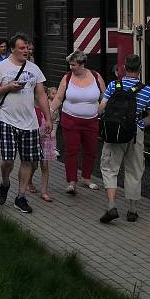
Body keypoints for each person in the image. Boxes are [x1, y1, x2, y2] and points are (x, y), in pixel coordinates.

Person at [0, 33, 51, 214]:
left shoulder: (34, 69)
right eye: (22, 48)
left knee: (28, 161)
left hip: (29, 122)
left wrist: (47, 118)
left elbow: (41, 95)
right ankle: (5, 182)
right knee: (8, 160)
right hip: (6, 119)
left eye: (28, 48)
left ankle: (20, 197)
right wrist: (8, 88)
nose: (26, 51)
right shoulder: (1, 67)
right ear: (13, 49)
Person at [97, 54, 150, 223]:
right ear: (140, 69)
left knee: (110, 169)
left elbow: (101, 109)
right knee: (134, 170)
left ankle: (111, 206)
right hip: (135, 133)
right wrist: (139, 124)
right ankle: (132, 211)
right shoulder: (147, 90)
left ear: (124, 67)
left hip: (114, 133)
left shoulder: (113, 85)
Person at [50, 50, 106, 195]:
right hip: (70, 120)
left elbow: (104, 96)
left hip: (91, 121)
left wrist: (99, 111)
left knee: (91, 151)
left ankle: (86, 178)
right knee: (72, 150)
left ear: (82, 64)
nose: (71, 67)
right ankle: (72, 181)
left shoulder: (96, 76)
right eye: (70, 64)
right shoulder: (67, 78)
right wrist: (50, 112)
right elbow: (58, 98)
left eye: (74, 65)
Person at [28, 86, 59, 201]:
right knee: (34, 165)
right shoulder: (30, 108)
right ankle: (29, 181)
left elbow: (52, 119)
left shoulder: (47, 107)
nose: (43, 96)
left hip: (45, 140)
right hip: (34, 139)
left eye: (44, 94)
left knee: (44, 165)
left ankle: (44, 192)